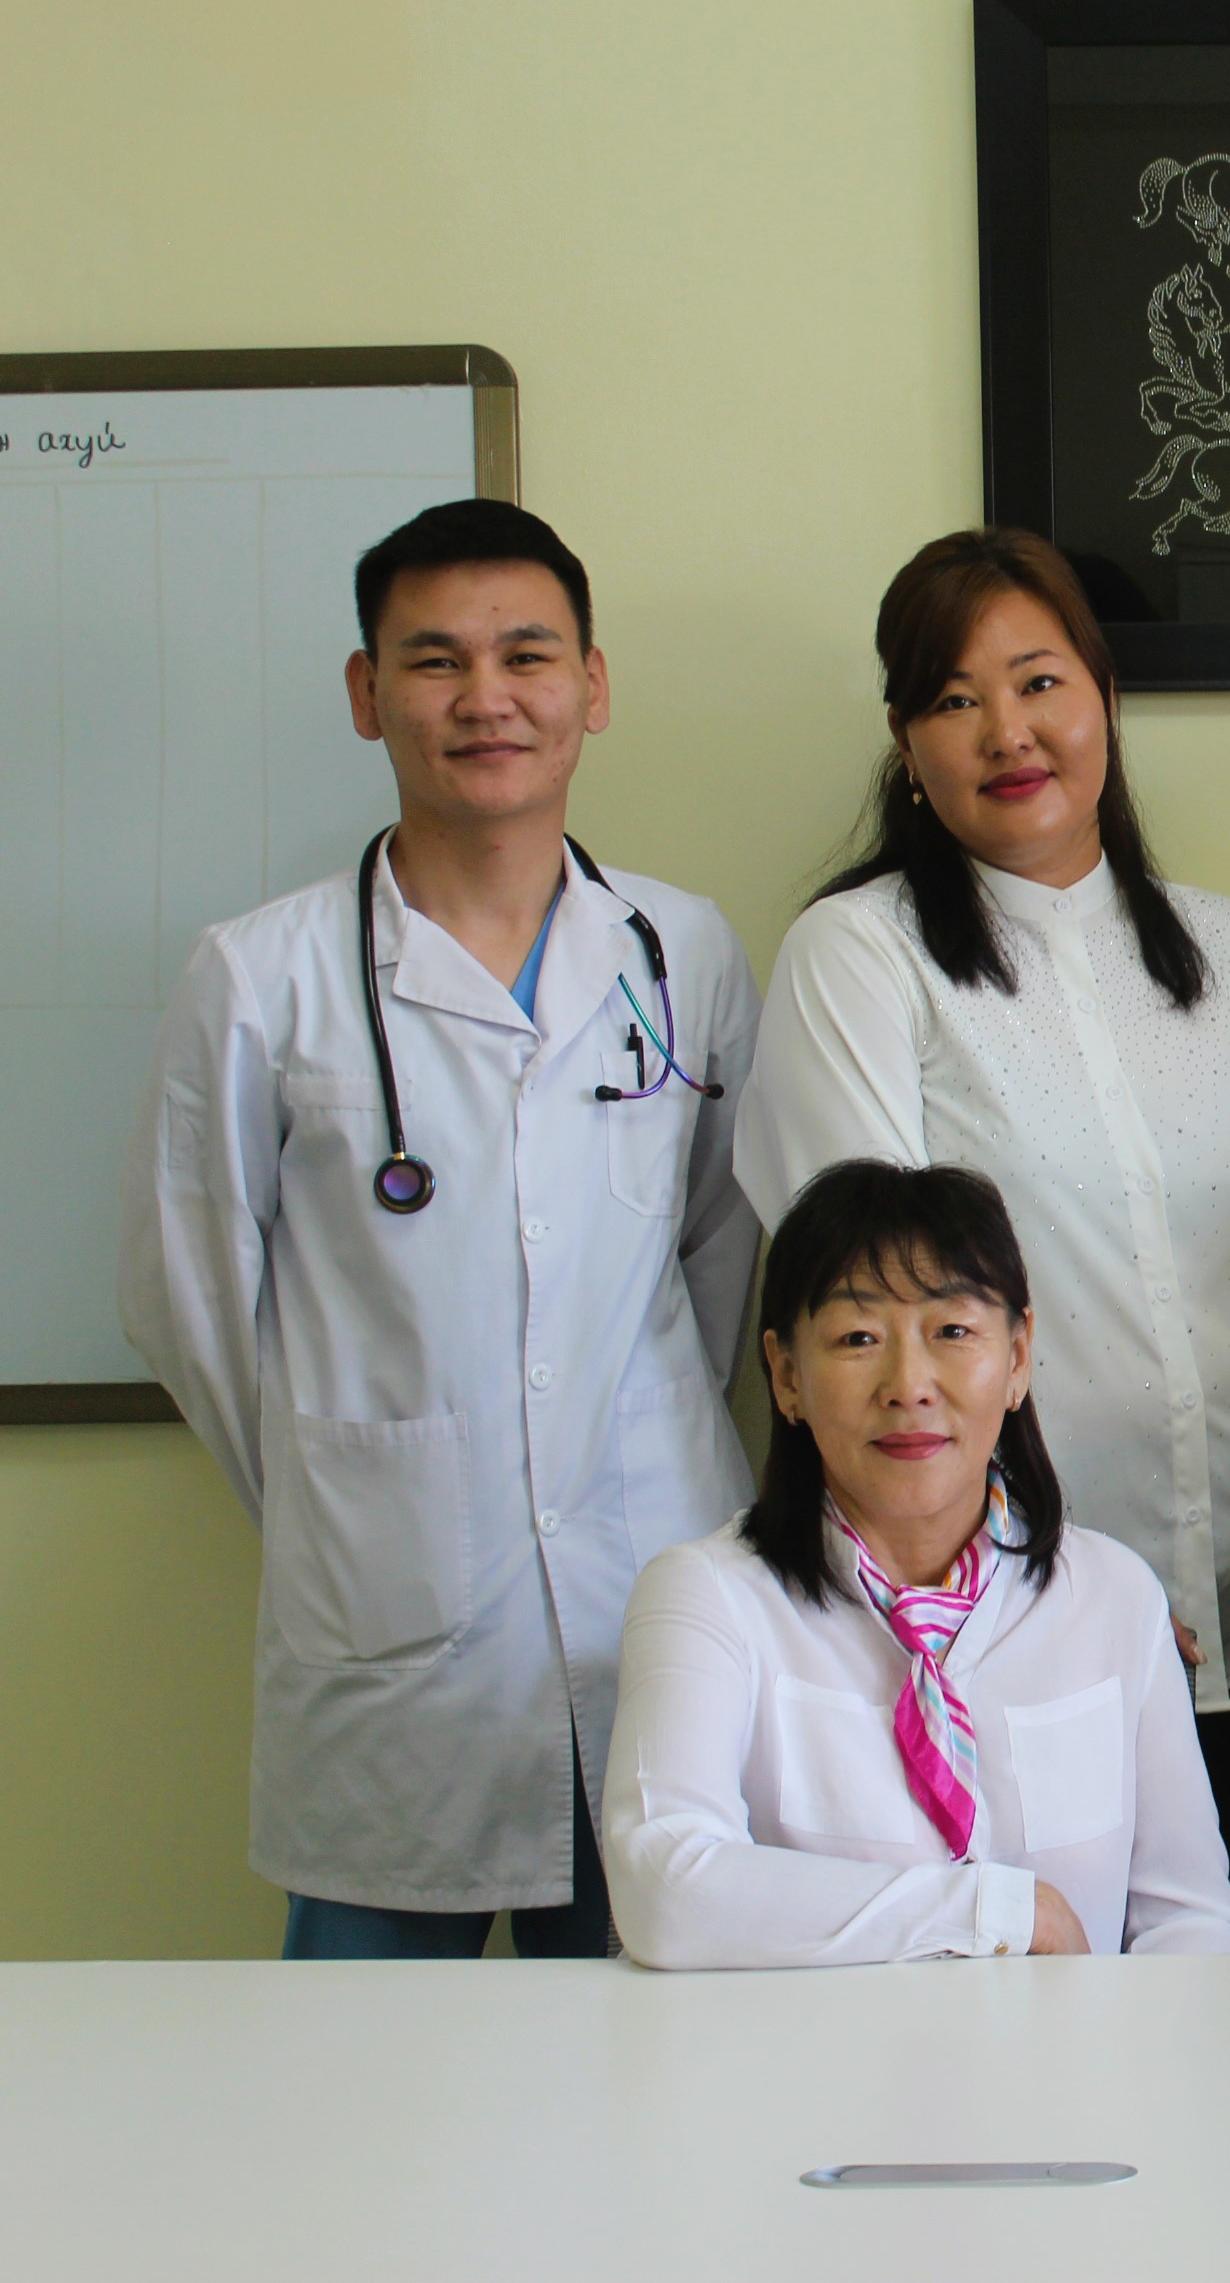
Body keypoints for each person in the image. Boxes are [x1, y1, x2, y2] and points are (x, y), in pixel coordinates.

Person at [120, 498, 760, 1959]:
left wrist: (632, 1420)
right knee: (368, 2076)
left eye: (527, 655)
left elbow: (721, 1248)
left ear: (592, 684)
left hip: (651, 1602)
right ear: (367, 693)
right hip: (390, 1638)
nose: (487, 697)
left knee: (657, 2054)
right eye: (434, 660)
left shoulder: (683, 952)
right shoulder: (261, 979)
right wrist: (352, 1479)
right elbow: (188, 1299)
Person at [736, 528, 1230, 1901]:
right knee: (1012, 1985)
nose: (1006, 733)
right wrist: (1067, 1594)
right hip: (1000, 1634)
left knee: (1206, 1978)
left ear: (1106, 699)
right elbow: (879, 1331)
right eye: (954, 700)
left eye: (1038, 683)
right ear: (906, 743)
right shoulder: (861, 957)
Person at [604, 1161, 1230, 1965]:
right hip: (804, 2052)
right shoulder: (708, 1598)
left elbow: (1192, 1922)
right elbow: (663, 1885)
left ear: (1018, 1358)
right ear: (786, 1375)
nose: (908, 1386)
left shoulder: (1114, 1597)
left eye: (953, 1332)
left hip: (1078, 2051)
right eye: (858, 1339)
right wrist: (998, 1913)